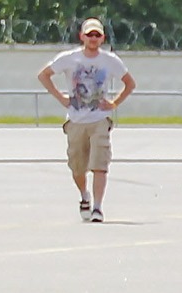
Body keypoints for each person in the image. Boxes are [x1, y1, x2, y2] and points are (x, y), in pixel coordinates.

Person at [37, 18, 135, 223]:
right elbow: (44, 75)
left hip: (99, 119)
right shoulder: (69, 58)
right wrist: (61, 98)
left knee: (100, 164)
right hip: (76, 119)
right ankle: (84, 195)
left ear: (102, 38)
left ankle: (98, 207)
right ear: (82, 36)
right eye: (89, 35)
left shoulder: (110, 60)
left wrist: (114, 103)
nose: (93, 38)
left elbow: (129, 83)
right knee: (77, 166)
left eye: (97, 35)